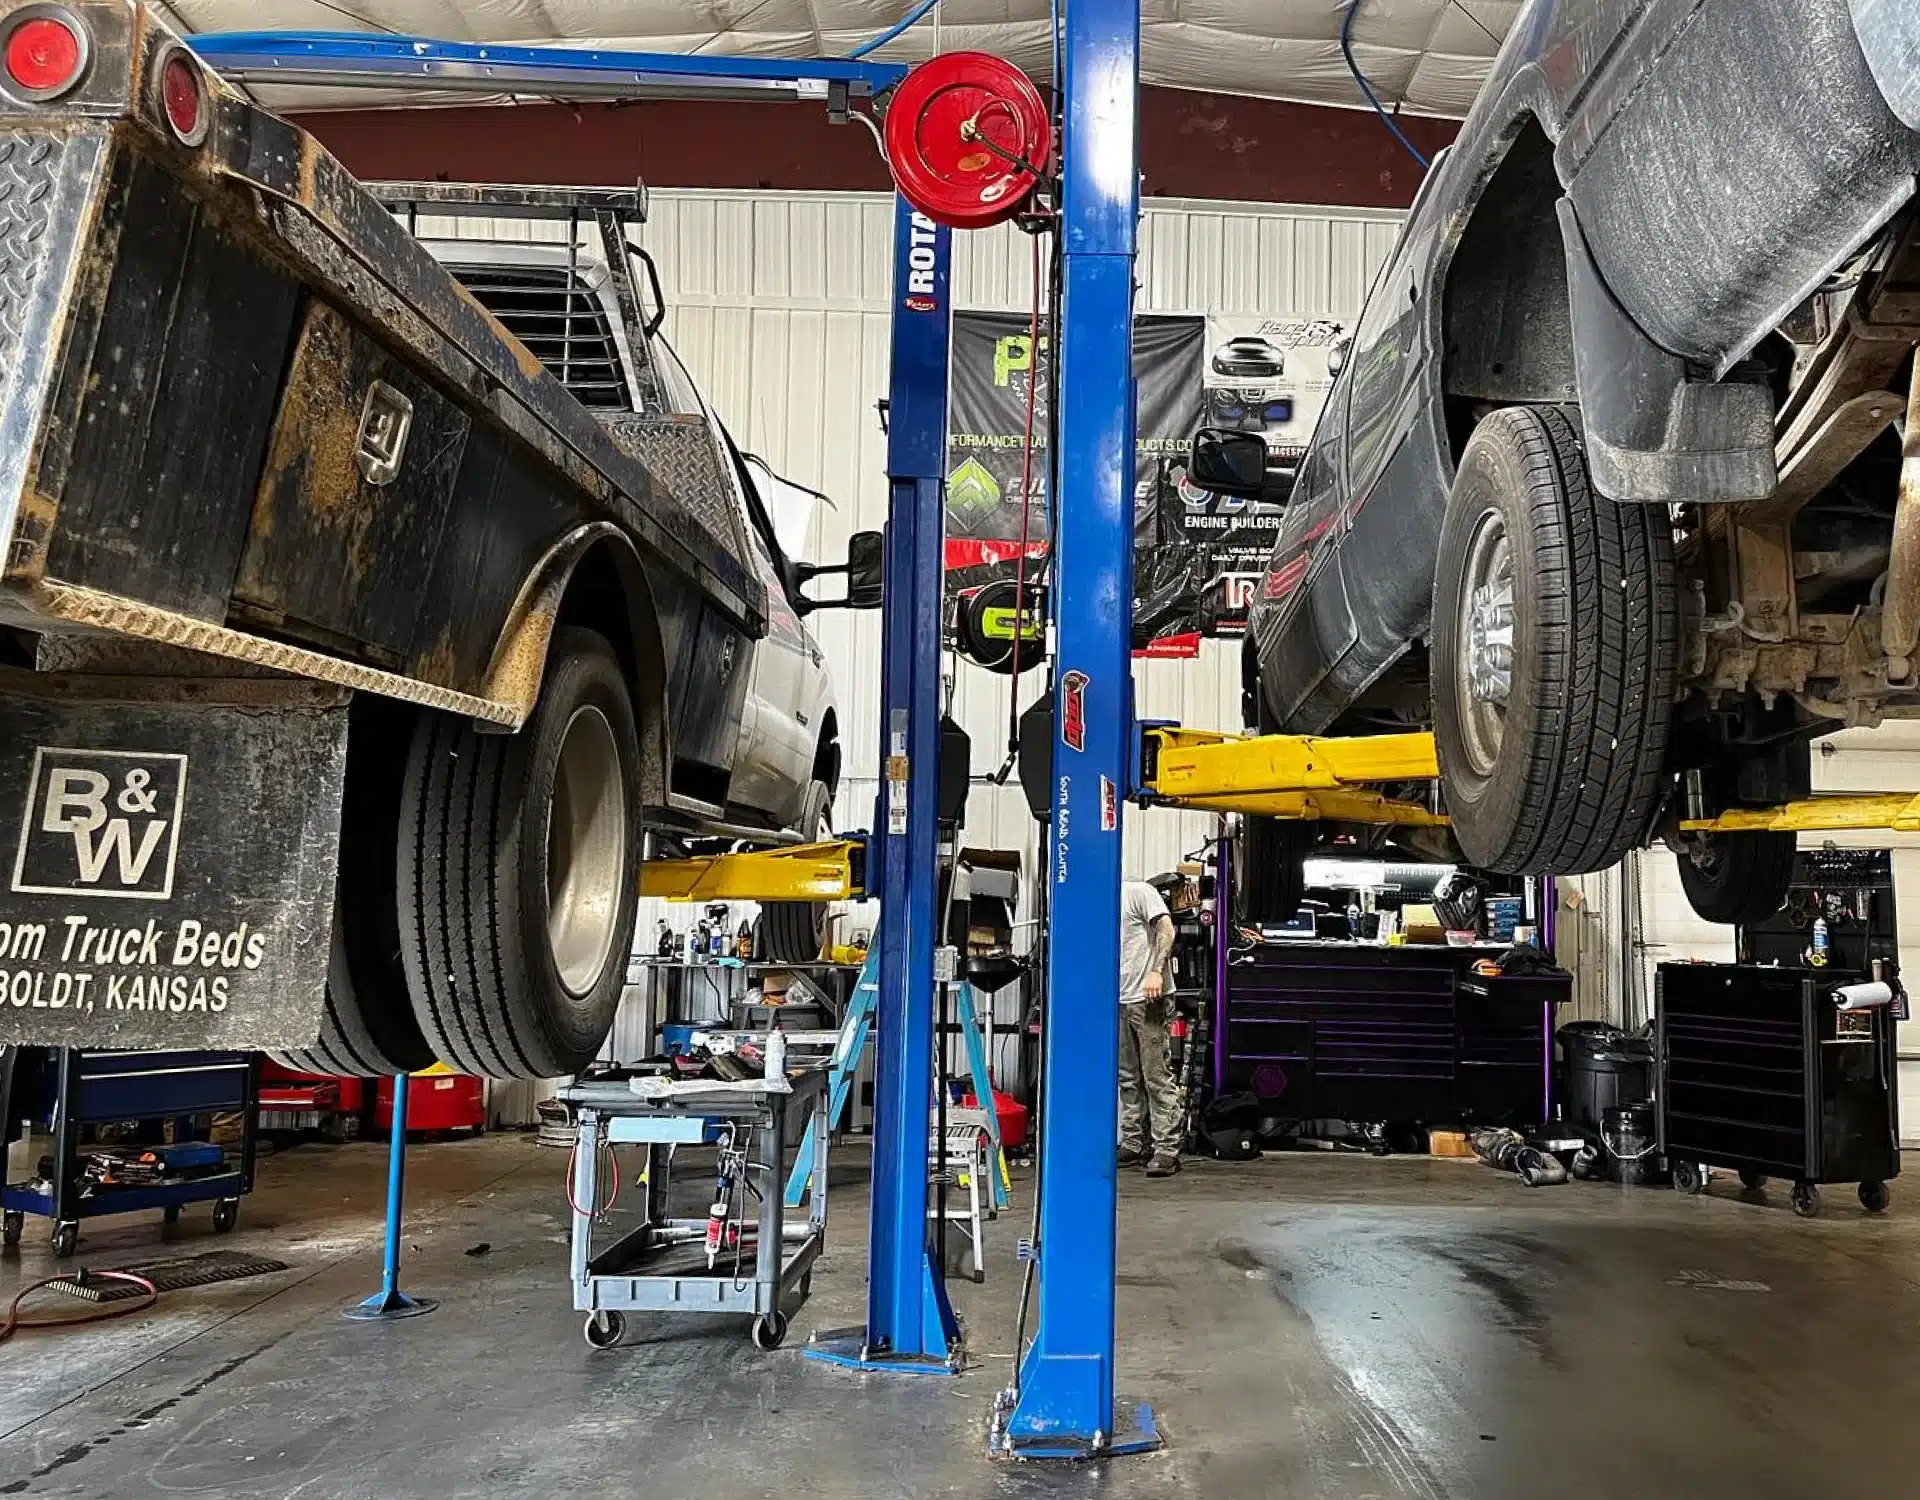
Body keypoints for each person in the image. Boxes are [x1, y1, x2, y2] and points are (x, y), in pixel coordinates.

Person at [1117, 879, 1182, 1177]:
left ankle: (1166, 1149)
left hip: (1148, 997)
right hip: (1116, 999)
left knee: (1155, 1074)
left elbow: (1166, 929)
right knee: (1127, 1076)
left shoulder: (1137, 892)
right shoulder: (1096, 903)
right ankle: (1133, 1142)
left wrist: (1157, 972)